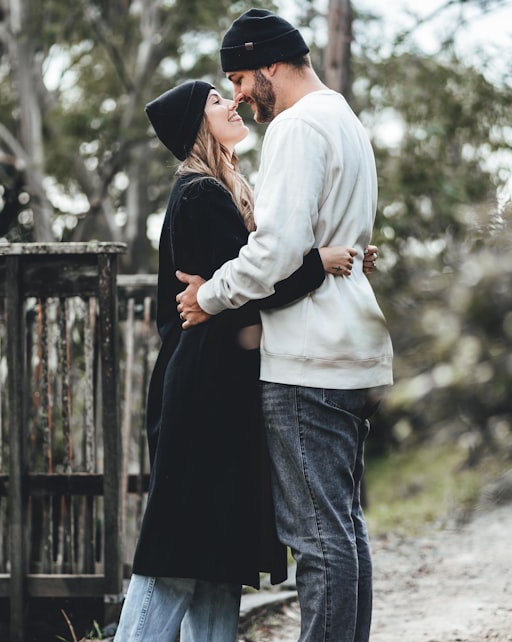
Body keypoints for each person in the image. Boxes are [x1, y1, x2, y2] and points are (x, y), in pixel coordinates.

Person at [174, 8, 395, 642]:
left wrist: (210, 296)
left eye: (241, 78)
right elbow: (347, 244)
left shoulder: (298, 128)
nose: (238, 94)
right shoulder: (345, 119)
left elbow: (275, 251)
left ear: (271, 63)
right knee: (345, 529)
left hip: (307, 359)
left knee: (318, 540)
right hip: (354, 352)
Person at [115, 79, 360, 642]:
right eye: (216, 101)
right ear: (199, 127)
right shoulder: (199, 194)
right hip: (203, 396)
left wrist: (330, 251)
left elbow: (247, 276)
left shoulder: (220, 192)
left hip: (220, 389)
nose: (232, 103)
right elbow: (251, 286)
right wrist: (317, 264)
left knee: (216, 560)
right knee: (177, 555)